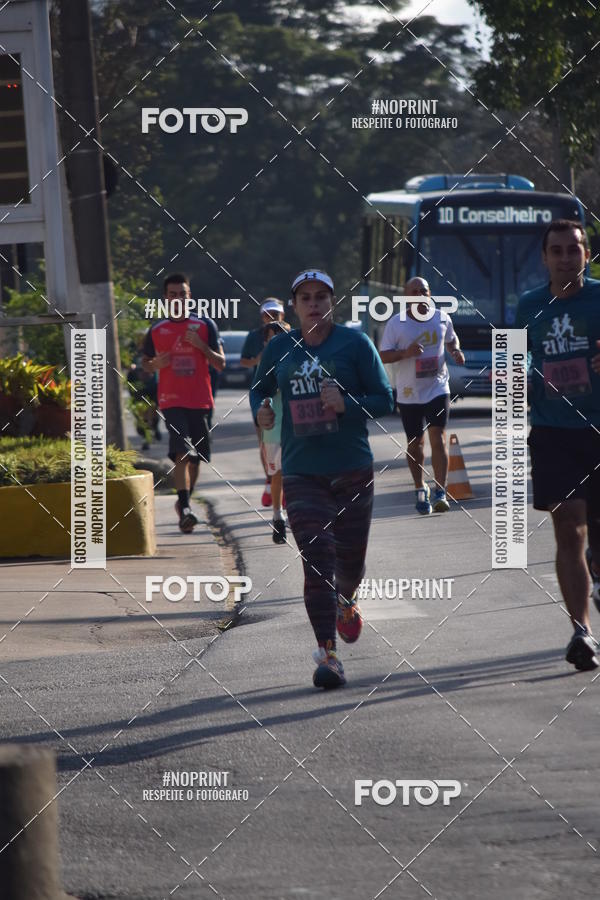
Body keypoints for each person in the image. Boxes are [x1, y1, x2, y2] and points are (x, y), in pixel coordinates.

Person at [251, 269, 394, 689]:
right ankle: (328, 655)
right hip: (301, 472)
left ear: (332, 302)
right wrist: (262, 410)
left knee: (348, 565)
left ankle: (348, 601)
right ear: (294, 306)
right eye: (305, 297)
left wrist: (346, 404)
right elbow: (258, 389)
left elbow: (384, 399)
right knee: (317, 564)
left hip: (351, 468)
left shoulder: (355, 343)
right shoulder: (280, 347)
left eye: (321, 296)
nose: (313, 303)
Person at [516, 219, 600, 671]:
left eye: (575, 249)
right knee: (569, 527)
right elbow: (515, 363)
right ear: (544, 257)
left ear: (586, 253)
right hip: (553, 432)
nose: (567, 257)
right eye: (558, 250)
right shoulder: (529, 305)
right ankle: (581, 632)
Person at [142, 273, 225, 533]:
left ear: (190, 297)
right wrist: (155, 364)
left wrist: (201, 346)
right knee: (182, 451)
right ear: (165, 298)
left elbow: (220, 364)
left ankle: (184, 500)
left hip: (200, 400)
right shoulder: (156, 330)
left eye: (183, 294)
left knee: (198, 457)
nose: (178, 298)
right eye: (173, 294)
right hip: (171, 400)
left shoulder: (205, 326)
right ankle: (186, 507)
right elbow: (145, 364)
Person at [379, 276, 465, 514]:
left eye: (423, 291)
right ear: (406, 297)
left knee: (438, 435)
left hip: (437, 386)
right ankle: (420, 487)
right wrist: (405, 353)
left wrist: (455, 351)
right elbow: (383, 355)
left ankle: (440, 490)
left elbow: (451, 339)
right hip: (409, 392)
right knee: (415, 443)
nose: (419, 295)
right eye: (414, 291)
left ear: (430, 294)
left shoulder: (441, 317)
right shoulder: (397, 323)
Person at [241, 298, 286, 507]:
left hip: (285, 397)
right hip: (262, 395)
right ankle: (271, 478)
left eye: (275, 314)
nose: (272, 317)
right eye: (268, 314)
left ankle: (284, 483)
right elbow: (243, 361)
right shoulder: (254, 337)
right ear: (262, 317)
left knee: (287, 442)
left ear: (282, 315)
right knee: (264, 441)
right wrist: (260, 359)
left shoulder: (289, 333)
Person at [261, 320, 287, 544]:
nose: (276, 341)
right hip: (273, 429)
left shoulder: (298, 359)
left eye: (281, 336)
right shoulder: (264, 365)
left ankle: (299, 515)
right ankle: (278, 516)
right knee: (277, 473)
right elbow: (258, 393)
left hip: (299, 427)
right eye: (272, 338)